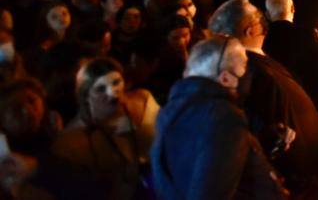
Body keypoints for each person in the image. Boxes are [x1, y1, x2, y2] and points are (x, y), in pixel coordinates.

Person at [208, 0, 318, 193]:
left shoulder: (254, 63)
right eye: (258, 19)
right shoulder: (253, 72)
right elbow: (274, 128)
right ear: (250, 30)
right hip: (299, 175)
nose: (264, 23)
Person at [151, 36, 285, 199]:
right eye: (244, 67)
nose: (247, 75)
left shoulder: (169, 111)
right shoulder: (224, 118)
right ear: (225, 78)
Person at [51, 57, 160, 199]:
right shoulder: (74, 136)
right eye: (101, 89)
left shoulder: (143, 100)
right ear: (85, 95)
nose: (112, 93)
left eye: (116, 83)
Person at [263, 0, 318, 142]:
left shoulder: (264, 42)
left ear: (267, 15)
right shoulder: (307, 34)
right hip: (314, 100)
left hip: (286, 111)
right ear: (292, 9)